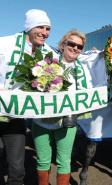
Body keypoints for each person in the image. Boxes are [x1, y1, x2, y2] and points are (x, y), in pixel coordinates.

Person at [0, 9, 55, 185]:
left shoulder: (48, 53)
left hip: (15, 115)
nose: (45, 32)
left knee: (17, 169)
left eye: (48, 28)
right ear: (29, 27)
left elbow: (59, 74)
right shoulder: (4, 43)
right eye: (41, 27)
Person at [31, 30, 86, 185]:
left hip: (66, 123)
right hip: (41, 122)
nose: (76, 48)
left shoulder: (84, 71)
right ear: (63, 45)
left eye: (79, 46)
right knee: (43, 161)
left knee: (64, 161)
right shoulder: (46, 62)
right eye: (72, 44)